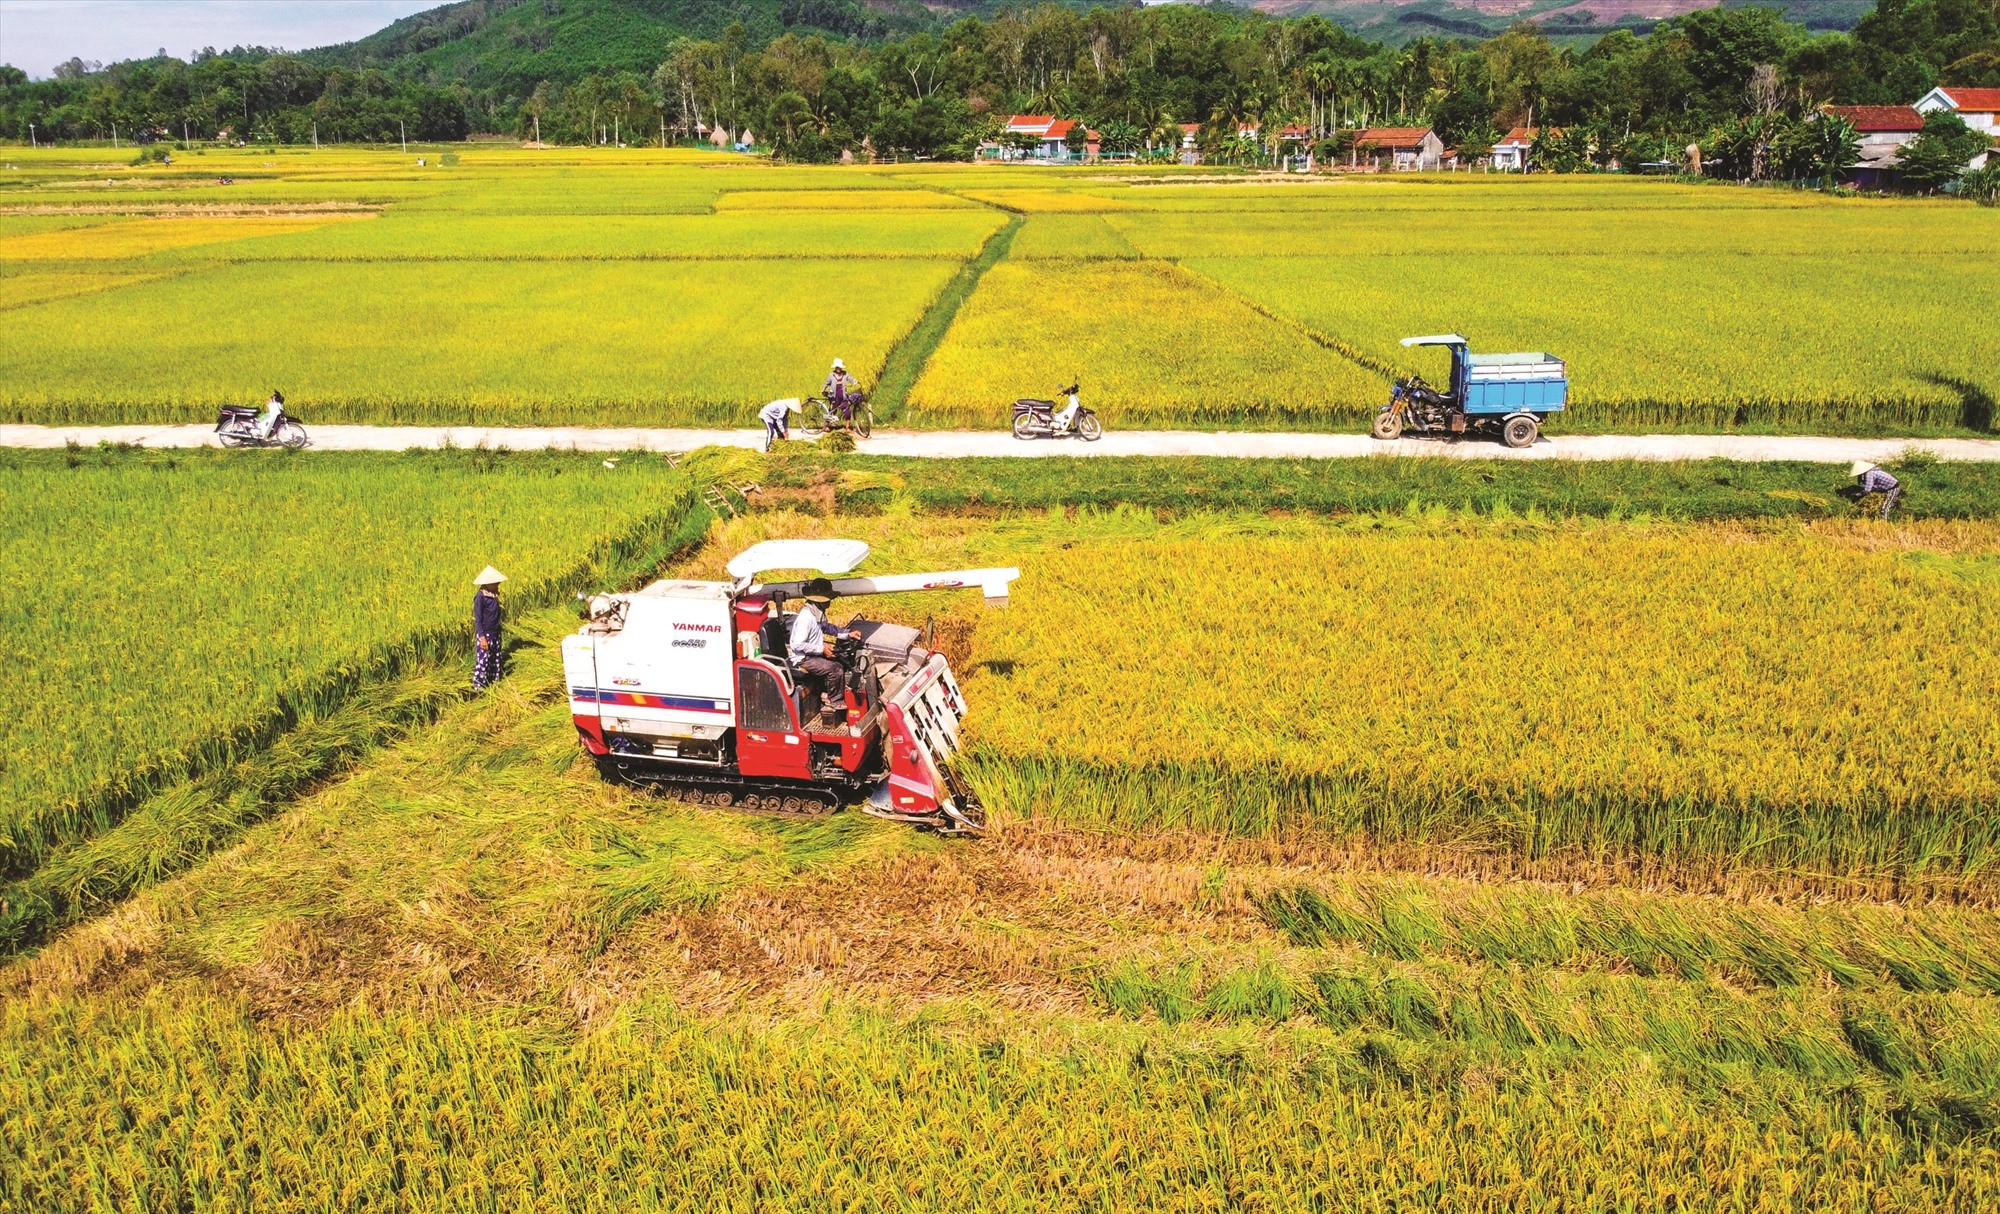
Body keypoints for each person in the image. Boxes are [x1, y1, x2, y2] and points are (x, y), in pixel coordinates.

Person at [789, 577, 859, 724]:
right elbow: (797, 645)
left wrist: (847, 634)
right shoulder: (806, 619)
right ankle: (834, 700)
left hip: (813, 654)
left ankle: (826, 693)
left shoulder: (817, 613)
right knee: (835, 669)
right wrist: (822, 649)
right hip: (803, 659)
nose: (829, 602)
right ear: (820, 600)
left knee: (842, 660)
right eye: (828, 599)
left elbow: (828, 628)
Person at [472, 566, 506, 690]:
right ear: (488, 583)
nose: (498, 584)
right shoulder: (480, 598)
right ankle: (479, 687)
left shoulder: (493, 594)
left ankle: (493, 683)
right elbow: (478, 619)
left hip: (495, 632)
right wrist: (482, 637)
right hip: (485, 634)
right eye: (496, 582)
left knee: (495, 658)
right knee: (483, 660)